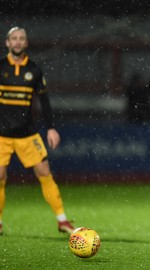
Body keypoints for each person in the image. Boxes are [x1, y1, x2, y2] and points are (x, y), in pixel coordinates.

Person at [0, 27, 75, 235]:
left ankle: (62, 220)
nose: (17, 42)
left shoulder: (34, 69)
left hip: (27, 133)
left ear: (26, 43)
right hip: (1, 135)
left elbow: (44, 101)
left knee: (44, 173)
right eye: (13, 39)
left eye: (21, 39)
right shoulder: (1, 67)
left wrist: (51, 128)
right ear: (7, 43)